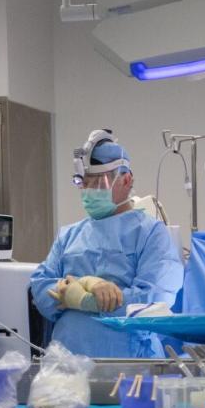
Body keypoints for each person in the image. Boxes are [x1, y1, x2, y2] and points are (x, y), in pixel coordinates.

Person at [31, 129, 183, 358]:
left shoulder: (151, 233)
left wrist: (83, 300)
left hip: (131, 364)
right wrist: (86, 283)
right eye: (83, 182)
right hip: (68, 364)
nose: (88, 190)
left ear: (126, 179)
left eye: (98, 182)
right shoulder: (69, 235)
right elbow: (41, 289)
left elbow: (154, 301)